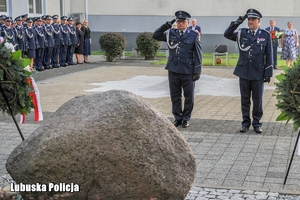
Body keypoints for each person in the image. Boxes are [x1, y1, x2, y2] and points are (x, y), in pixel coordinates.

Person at [224, 9, 273, 134]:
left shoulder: (265, 35)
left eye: (253, 20)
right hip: (244, 71)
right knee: (245, 99)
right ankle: (245, 123)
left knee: (257, 100)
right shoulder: (242, 33)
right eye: (249, 19)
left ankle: (257, 123)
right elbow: (227, 34)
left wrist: (268, 73)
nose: (250, 22)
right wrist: (238, 22)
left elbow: (269, 55)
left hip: (258, 72)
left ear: (259, 21)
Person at [152, 10, 202, 128]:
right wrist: (166, 25)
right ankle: (178, 117)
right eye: (178, 21)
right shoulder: (170, 33)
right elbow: (156, 36)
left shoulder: (193, 34)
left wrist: (197, 70)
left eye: (183, 21)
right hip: (173, 69)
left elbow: (198, 54)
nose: (180, 23)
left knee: (189, 96)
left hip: (188, 70)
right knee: (175, 95)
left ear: (187, 22)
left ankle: (186, 118)